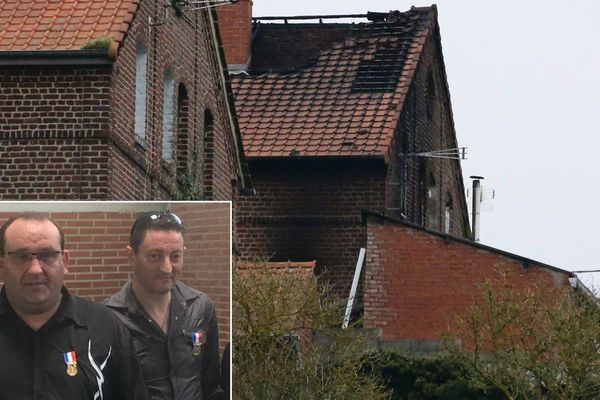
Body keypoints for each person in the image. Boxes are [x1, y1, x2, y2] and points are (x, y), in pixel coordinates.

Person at [0, 212, 148, 400]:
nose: (35, 269)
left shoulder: (105, 327)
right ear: (2, 263)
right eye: (22, 256)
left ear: (65, 261)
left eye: (47, 255)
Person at [105, 211, 223, 400]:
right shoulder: (109, 319)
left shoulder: (201, 307)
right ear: (131, 256)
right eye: (155, 256)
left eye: (175, 257)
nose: (167, 268)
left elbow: (211, 385)